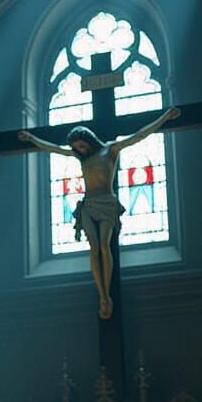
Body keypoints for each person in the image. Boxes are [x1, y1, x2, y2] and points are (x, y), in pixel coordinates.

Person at [18, 106, 180, 319]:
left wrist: (164, 118)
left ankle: (107, 294)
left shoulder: (110, 150)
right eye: (77, 147)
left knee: (104, 246)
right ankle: (103, 296)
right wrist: (31, 138)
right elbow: (53, 149)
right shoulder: (81, 157)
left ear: (90, 139)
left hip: (107, 203)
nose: (81, 150)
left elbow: (140, 135)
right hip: (88, 205)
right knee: (94, 249)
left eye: (82, 145)